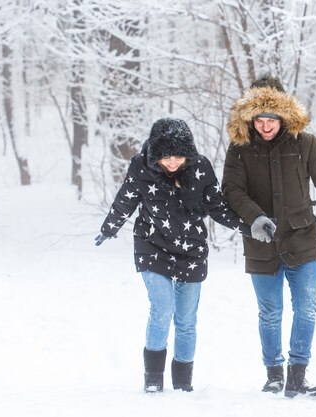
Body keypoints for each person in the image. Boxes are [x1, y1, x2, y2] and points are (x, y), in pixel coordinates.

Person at [95, 117, 264, 393]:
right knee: (162, 307)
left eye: (178, 157)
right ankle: (152, 378)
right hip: (152, 246)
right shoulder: (141, 166)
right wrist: (109, 228)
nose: (172, 163)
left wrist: (249, 227)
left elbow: (218, 207)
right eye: (166, 157)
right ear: (155, 154)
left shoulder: (201, 168)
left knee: (186, 319)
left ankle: (183, 382)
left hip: (191, 250)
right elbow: (125, 199)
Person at [222, 76, 316, 398]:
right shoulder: (240, 149)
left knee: (306, 307)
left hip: (302, 240)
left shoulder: (305, 144)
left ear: (283, 115)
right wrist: (255, 217)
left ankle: (297, 377)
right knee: (270, 312)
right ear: (250, 118)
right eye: (259, 119)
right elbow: (231, 190)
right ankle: (274, 374)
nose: (265, 125)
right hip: (261, 243)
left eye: (270, 118)